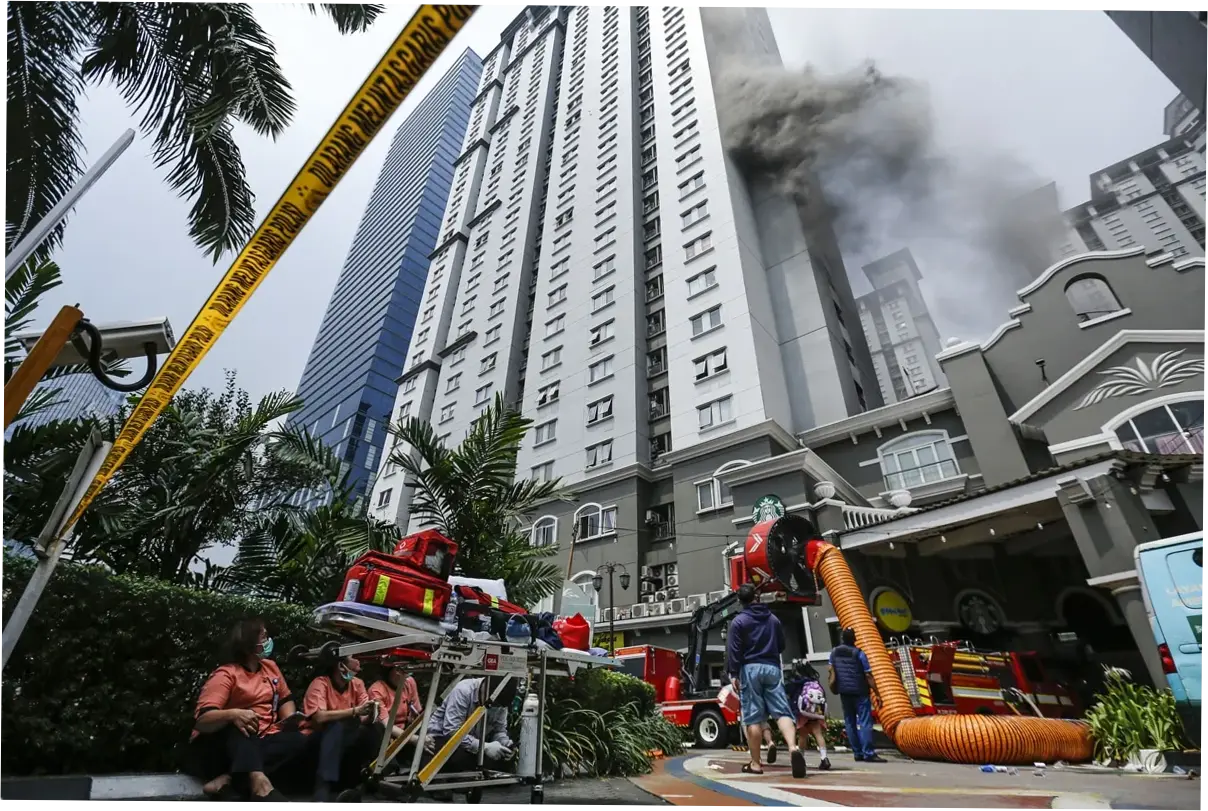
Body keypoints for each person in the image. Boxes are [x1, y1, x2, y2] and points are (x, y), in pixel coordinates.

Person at [189, 617, 308, 806]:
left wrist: (289, 719)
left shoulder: (271, 668)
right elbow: (203, 720)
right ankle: (261, 786)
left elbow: (285, 699)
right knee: (243, 726)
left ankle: (227, 780)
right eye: (264, 636)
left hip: (258, 740)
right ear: (249, 642)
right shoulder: (226, 674)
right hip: (222, 744)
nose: (269, 641)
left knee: (298, 740)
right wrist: (233, 714)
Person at [726, 583, 805, 778]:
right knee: (782, 711)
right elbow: (781, 645)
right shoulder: (773, 619)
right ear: (757, 596)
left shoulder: (738, 622)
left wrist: (734, 674)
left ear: (740, 601)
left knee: (752, 716)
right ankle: (793, 748)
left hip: (749, 669)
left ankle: (755, 763)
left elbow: (734, 652)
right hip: (771, 667)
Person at [303, 654, 384, 805]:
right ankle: (322, 789)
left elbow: (363, 717)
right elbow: (319, 717)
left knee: (374, 728)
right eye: (355, 657)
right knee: (335, 725)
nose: (359, 660)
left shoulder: (357, 684)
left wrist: (371, 711)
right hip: (320, 737)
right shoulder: (320, 683)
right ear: (341, 665)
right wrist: (354, 711)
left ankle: (369, 780)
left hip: (346, 736)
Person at [426, 676, 517, 773]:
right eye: (494, 705)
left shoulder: (501, 704)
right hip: (442, 739)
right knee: (460, 758)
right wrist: (484, 747)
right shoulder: (463, 691)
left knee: (504, 762)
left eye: (499, 706)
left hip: (473, 742)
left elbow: (499, 730)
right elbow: (451, 732)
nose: (495, 708)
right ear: (484, 688)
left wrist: (505, 744)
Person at [827, 627, 885, 763]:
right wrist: (877, 693)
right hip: (860, 692)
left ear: (842, 638)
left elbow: (831, 670)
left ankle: (857, 753)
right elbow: (868, 675)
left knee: (849, 722)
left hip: (844, 692)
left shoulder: (834, 653)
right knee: (865, 722)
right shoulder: (859, 653)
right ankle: (868, 753)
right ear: (854, 638)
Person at [789, 661, 831, 770]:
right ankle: (824, 758)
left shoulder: (797, 682)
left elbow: (792, 696)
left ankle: (801, 759)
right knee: (818, 734)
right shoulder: (815, 682)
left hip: (803, 713)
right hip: (815, 713)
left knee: (802, 735)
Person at [368, 663, 423, 740]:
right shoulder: (376, 690)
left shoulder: (409, 682)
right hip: (386, 733)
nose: (406, 675)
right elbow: (386, 724)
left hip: (408, 728)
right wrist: (414, 739)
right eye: (401, 670)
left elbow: (418, 712)